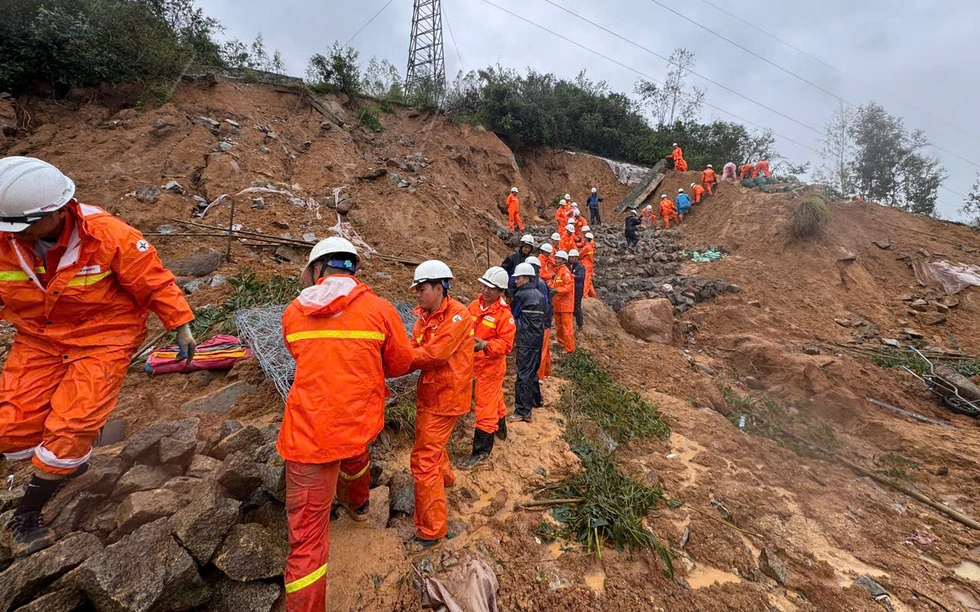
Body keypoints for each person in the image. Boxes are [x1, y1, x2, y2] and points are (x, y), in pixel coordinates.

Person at [0, 157, 197, 548]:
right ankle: (64, 466)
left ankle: (28, 514)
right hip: (39, 336)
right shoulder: (8, 235)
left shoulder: (108, 235)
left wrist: (181, 323)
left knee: (73, 423)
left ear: (56, 212)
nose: (15, 236)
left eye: (23, 228)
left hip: (104, 335)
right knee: (10, 427)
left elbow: (154, 281)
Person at [279, 237, 413, 610]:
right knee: (356, 460)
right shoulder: (380, 309)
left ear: (318, 269)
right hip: (356, 423)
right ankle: (358, 508)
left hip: (308, 435)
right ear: (352, 267)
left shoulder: (293, 312)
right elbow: (400, 363)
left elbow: (298, 352)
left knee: (307, 540)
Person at [408, 260, 474, 550]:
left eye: (422, 289)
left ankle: (432, 529)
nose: (418, 294)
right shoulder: (424, 317)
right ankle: (445, 480)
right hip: (431, 394)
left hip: (446, 397)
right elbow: (414, 348)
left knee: (423, 461)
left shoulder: (458, 316)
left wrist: (394, 361)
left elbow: (434, 354)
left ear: (440, 287)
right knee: (432, 446)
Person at [461, 267, 515, 469]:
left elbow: (506, 345)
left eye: (491, 288)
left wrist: (485, 345)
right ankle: (502, 430)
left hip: (490, 368)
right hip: (473, 364)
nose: (485, 290)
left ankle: (481, 450)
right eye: (484, 286)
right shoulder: (474, 306)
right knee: (496, 400)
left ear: (501, 291)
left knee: (485, 408)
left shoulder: (504, 317)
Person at [507, 263, 546, 422]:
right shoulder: (539, 294)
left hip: (526, 339)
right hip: (537, 338)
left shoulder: (522, 295)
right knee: (532, 370)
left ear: (526, 278)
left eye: (518, 278)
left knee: (523, 373)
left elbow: (512, 314)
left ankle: (523, 411)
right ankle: (536, 401)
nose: (515, 281)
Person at [524, 256, 553, 384]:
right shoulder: (536, 283)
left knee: (540, 348)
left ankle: (539, 376)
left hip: (541, 322)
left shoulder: (539, 285)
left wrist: (539, 323)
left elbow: (544, 305)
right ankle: (546, 372)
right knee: (544, 348)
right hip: (541, 321)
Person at [549, 251, 575, 353]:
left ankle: (569, 348)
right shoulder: (558, 272)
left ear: (564, 260)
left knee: (566, 327)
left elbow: (568, 287)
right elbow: (555, 285)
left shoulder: (565, 272)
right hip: (558, 304)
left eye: (559, 259)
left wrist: (556, 290)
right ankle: (562, 344)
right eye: (556, 258)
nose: (557, 260)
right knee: (559, 326)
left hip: (566, 305)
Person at [568, 249, 587, 330]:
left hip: (578, 289)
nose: (571, 259)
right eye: (570, 257)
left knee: (577, 306)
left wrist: (573, 276)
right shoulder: (569, 265)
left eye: (573, 257)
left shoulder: (580, 267)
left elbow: (582, 277)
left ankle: (580, 324)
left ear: (576, 258)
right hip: (571, 289)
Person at [581, 233, 597, 298]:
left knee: (586, 280)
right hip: (590, 265)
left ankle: (584, 295)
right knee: (589, 281)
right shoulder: (591, 246)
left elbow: (580, 255)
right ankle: (593, 295)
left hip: (586, 265)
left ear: (586, 238)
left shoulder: (586, 247)